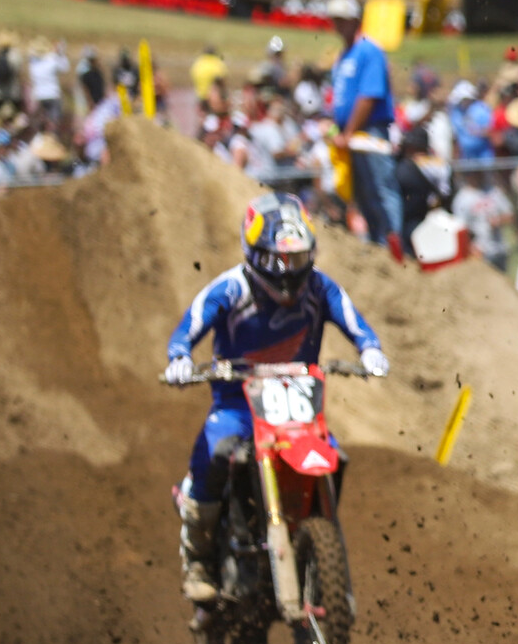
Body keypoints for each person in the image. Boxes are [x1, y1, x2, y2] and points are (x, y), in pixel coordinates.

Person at [159, 193, 387, 603]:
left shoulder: (319, 287)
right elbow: (188, 327)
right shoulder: (230, 288)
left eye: (297, 260)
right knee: (215, 452)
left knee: (331, 454)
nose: (288, 271)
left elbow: (353, 320)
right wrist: (179, 358)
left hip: (297, 407)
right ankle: (199, 559)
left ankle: (314, 539)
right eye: (278, 261)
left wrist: (369, 349)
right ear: (254, 254)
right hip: (238, 405)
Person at [324, 0, 404, 259]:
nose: (338, 25)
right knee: (363, 192)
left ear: (355, 20)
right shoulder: (343, 56)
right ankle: (375, 245)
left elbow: (369, 95)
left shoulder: (369, 50)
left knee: (381, 189)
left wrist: (347, 132)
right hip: (351, 134)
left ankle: (392, 245)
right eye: (335, 20)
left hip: (370, 131)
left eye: (343, 20)